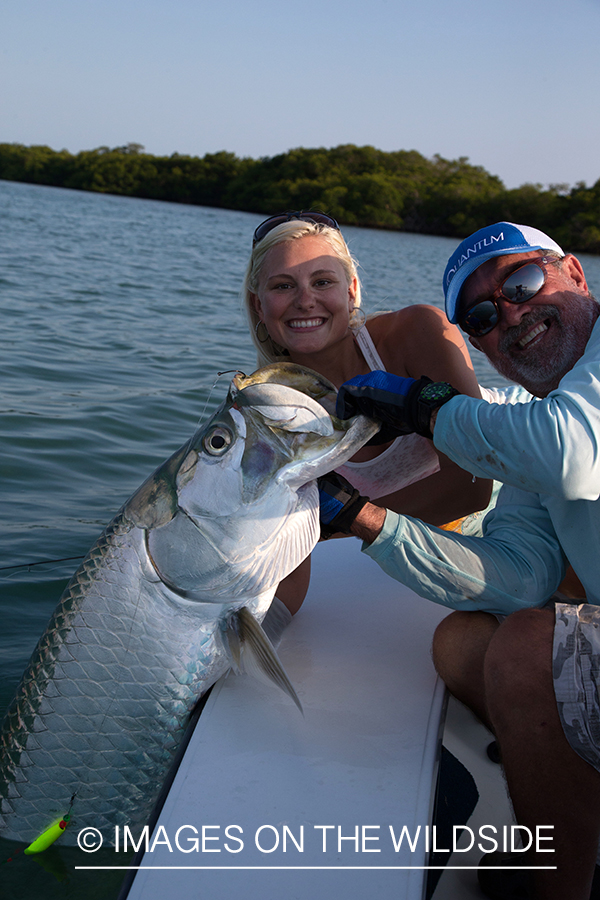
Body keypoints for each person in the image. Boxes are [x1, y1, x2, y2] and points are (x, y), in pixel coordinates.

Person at [320, 222, 600, 900]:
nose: (510, 314)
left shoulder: (557, 425)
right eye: (480, 317)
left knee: (530, 646)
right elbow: (521, 574)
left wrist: (423, 406)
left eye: (522, 282)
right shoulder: (537, 413)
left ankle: (556, 885)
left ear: (575, 273)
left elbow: (567, 453)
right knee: (465, 645)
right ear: (478, 346)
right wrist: (363, 519)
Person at [243, 211, 492, 617]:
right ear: (259, 305)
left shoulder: (416, 334)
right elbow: (285, 552)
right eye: (283, 286)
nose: (304, 300)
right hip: (375, 550)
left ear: (352, 290)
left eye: (322, 282)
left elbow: (474, 485)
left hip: (482, 525)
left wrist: (342, 521)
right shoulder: (266, 411)